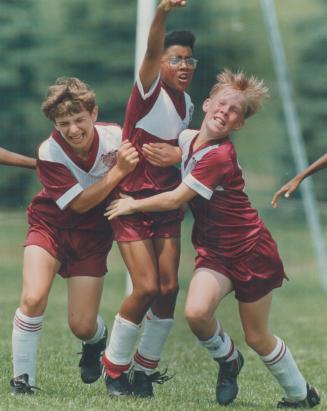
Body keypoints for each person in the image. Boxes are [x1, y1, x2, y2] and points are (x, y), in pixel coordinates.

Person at [106, 69, 321, 408]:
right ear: (207, 104)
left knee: (257, 336)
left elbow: (176, 198)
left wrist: (134, 203)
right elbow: (181, 151)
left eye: (235, 111)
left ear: (239, 125)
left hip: (252, 251)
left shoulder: (220, 156)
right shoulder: (187, 138)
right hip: (215, 253)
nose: (226, 112)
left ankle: (301, 394)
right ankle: (229, 360)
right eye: (222, 104)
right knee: (196, 313)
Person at [9, 76, 140, 395]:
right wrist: (118, 172)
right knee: (33, 297)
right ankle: (23, 381)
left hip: (92, 237)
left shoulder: (116, 139)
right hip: (49, 226)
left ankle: (96, 341)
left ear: (94, 113)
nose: (72, 129)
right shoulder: (49, 151)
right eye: (63, 122)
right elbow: (80, 204)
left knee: (82, 325)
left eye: (79, 119)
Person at [101, 0, 196, 398]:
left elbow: (197, 157)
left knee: (170, 287)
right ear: (161, 63)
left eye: (191, 60)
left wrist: (180, 155)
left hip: (165, 204)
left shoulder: (188, 105)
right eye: (177, 59)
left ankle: (144, 370)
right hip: (129, 203)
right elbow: (152, 51)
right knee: (145, 288)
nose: (185, 66)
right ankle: (114, 369)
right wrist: (161, 14)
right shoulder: (148, 91)